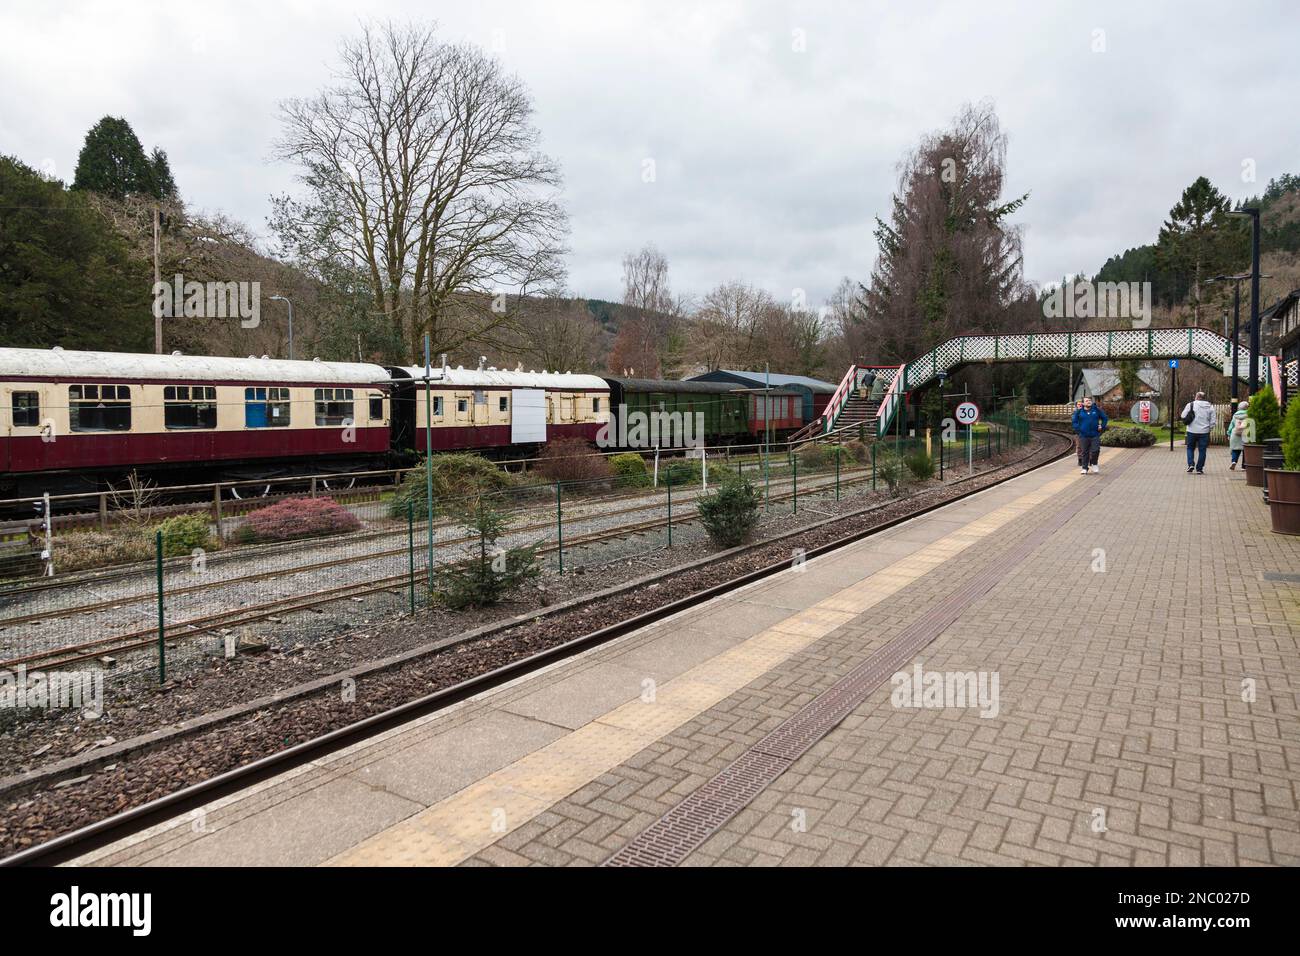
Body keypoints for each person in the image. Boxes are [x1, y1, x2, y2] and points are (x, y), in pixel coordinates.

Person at [1181, 390, 1217, 475]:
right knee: (1202, 450)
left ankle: (1190, 464)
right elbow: (1213, 421)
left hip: (1191, 430)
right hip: (1204, 432)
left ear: (1196, 397)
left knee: (1190, 448)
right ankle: (1199, 469)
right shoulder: (1210, 407)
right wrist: (1209, 428)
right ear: (1204, 398)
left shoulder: (1190, 405)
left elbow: (1183, 415)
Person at [1071, 396, 1109, 474]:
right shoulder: (1079, 412)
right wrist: (1079, 431)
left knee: (1096, 450)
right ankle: (1085, 468)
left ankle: (1094, 464)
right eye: (1087, 401)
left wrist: (1102, 426)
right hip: (1083, 435)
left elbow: (1105, 418)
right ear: (1083, 403)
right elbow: (1074, 422)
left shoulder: (1096, 410)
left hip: (1095, 434)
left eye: (1090, 400)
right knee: (1085, 452)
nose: (1089, 401)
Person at [1228, 400, 1249, 470]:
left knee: (1235, 449)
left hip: (1235, 433)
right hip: (1245, 434)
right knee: (1245, 450)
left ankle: (1234, 461)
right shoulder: (1249, 414)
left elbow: (1231, 425)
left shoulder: (1235, 415)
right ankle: (1244, 466)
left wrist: (1229, 433)